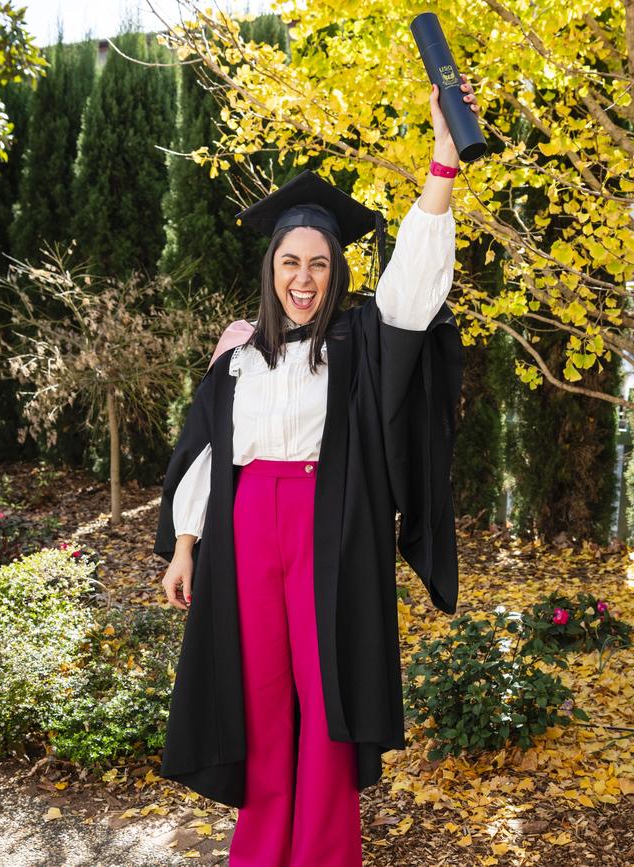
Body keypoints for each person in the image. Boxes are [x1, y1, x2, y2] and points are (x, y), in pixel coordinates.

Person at [153, 78, 479, 867]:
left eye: (321, 265)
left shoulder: (359, 342)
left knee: (325, 695)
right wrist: (186, 544)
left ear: (336, 272)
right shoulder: (237, 359)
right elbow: (205, 449)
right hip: (244, 533)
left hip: (329, 528)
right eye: (290, 263)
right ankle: (261, 854)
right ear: (271, 268)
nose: (304, 279)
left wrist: (443, 158)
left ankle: (326, 853)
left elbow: (414, 288)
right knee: (260, 699)